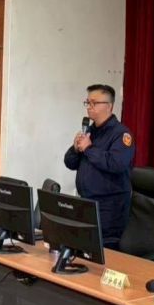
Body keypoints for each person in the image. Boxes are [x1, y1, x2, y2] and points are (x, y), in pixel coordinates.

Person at [63, 84, 135, 247]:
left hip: (109, 209)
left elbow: (116, 163)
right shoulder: (90, 131)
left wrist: (89, 149)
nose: (89, 107)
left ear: (109, 106)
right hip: (86, 203)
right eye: (87, 102)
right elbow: (70, 163)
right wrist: (76, 149)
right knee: (84, 248)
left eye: (94, 103)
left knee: (104, 251)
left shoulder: (121, 134)